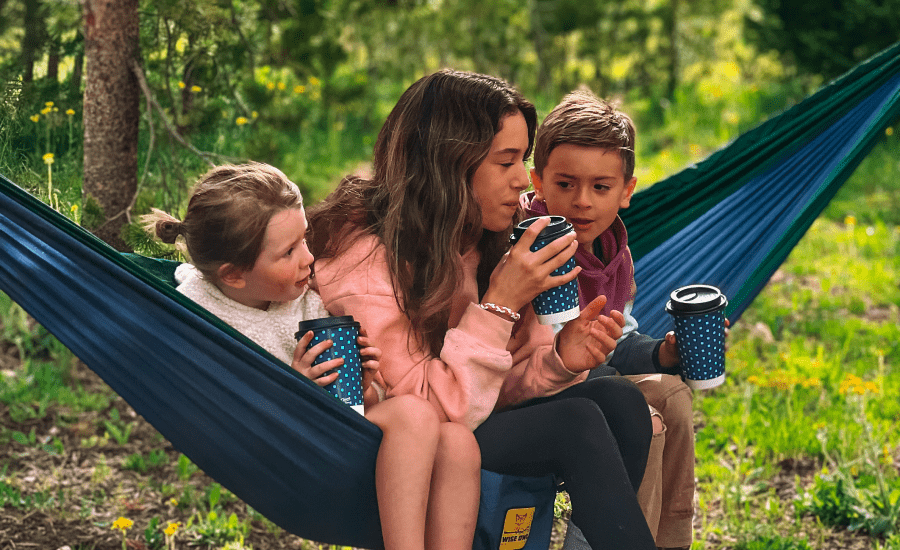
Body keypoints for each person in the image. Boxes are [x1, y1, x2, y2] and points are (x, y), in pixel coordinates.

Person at [308, 69, 657, 550]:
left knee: (621, 402)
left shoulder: (486, 236)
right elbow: (429, 412)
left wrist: (560, 359)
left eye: (523, 159)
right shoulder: (367, 260)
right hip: (405, 449)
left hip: (469, 417)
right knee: (575, 424)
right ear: (448, 165)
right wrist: (499, 304)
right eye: (505, 161)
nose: (521, 182)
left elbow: (501, 384)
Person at [143, 162, 481, 550]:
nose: (308, 258)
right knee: (416, 414)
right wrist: (294, 389)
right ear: (234, 275)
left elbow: (352, 406)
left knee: (457, 443)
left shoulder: (302, 298)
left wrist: (365, 384)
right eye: (288, 251)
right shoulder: (199, 320)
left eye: (305, 239)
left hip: (335, 436)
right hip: (287, 452)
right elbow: (220, 418)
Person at [521, 89, 696, 550]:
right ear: (537, 182)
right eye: (565, 184)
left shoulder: (613, 253)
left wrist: (662, 353)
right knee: (646, 417)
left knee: (674, 395)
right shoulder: (527, 244)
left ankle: (666, 540)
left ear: (626, 191)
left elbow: (618, 338)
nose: (582, 202)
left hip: (591, 380)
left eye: (601, 187)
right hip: (533, 391)